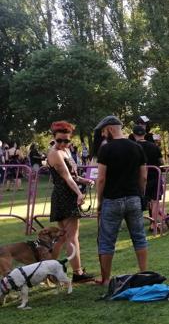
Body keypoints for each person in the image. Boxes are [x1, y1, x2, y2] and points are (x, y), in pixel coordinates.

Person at [94, 115, 148, 286]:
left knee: (107, 241)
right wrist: (140, 193)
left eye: (103, 132)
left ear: (109, 129)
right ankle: (144, 273)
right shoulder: (137, 147)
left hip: (112, 199)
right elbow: (144, 176)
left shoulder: (106, 150)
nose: (103, 135)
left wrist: (99, 201)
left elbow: (101, 178)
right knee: (139, 237)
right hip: (133, 197)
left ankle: (106, 279)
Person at [47, 121, 95, 283]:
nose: (62, 143)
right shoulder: (55, 153)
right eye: (59, 140)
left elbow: (72, 175)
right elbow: (66, 178)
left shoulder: (66, 151)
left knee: (63, 238)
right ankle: (77, 273)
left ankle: (49, 272)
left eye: (66, 140)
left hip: (66, 194)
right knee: (72, 237)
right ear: (54, 138)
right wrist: (78, 194)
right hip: (64, 196)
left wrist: (85, 181)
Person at [132, 125, 164, 232]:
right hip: (155, 176)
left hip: (137, 178)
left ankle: (137, 225)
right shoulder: (154, 146)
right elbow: (161, 161)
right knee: (155, 201)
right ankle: (153, 224)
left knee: (137, 201)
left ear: (133, 134)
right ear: (145, 134)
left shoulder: (132, 147)